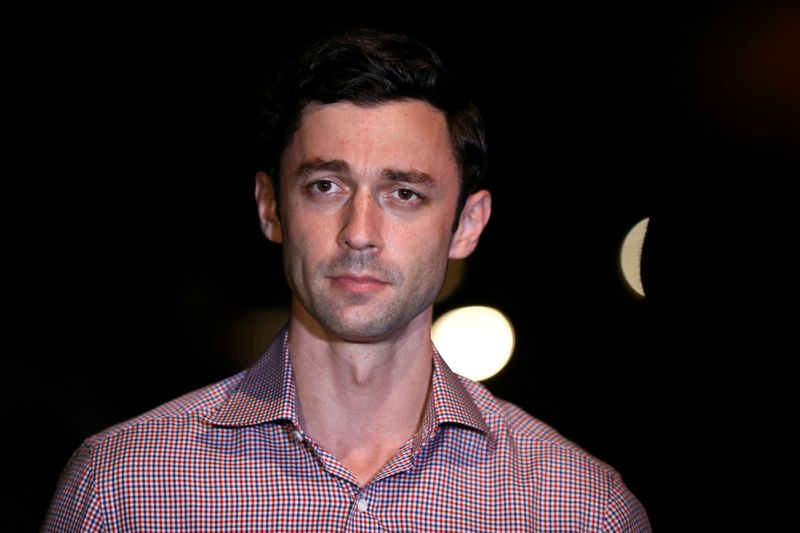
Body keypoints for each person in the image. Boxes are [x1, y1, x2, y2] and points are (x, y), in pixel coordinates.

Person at [44, 28, 651, 531]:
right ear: (270, 206)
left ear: (467, 224)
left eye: (404, 193)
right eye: (325, 186)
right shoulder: (123, 488)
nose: (359, 232)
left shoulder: (581, 508)